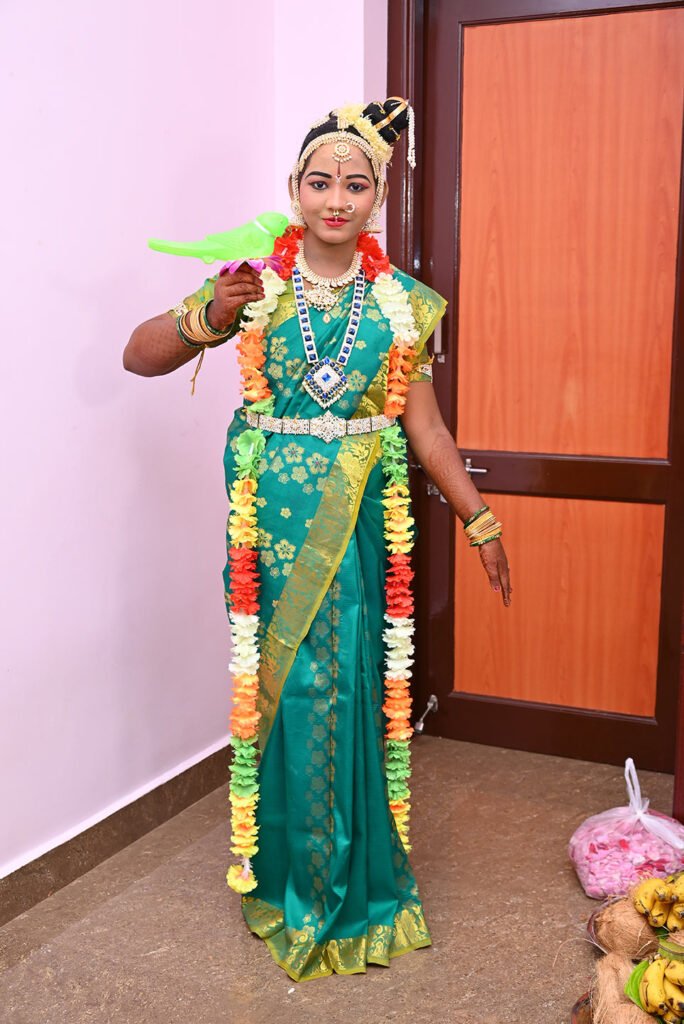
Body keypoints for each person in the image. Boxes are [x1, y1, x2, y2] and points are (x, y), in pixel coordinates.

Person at [123, 97, 512, 982]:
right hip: (270, 536)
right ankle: (292, 879)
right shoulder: (251, 286)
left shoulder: (403, 305)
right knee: (286, 693)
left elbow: (429, 434)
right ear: (293, 190)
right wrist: (211, 318)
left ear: (380, 197)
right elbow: (137, 356)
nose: (336, 197)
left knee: (347, 690)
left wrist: (479, 517)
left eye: (356, 183)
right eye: (320, 180)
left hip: (359, 533)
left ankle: (353, 883)